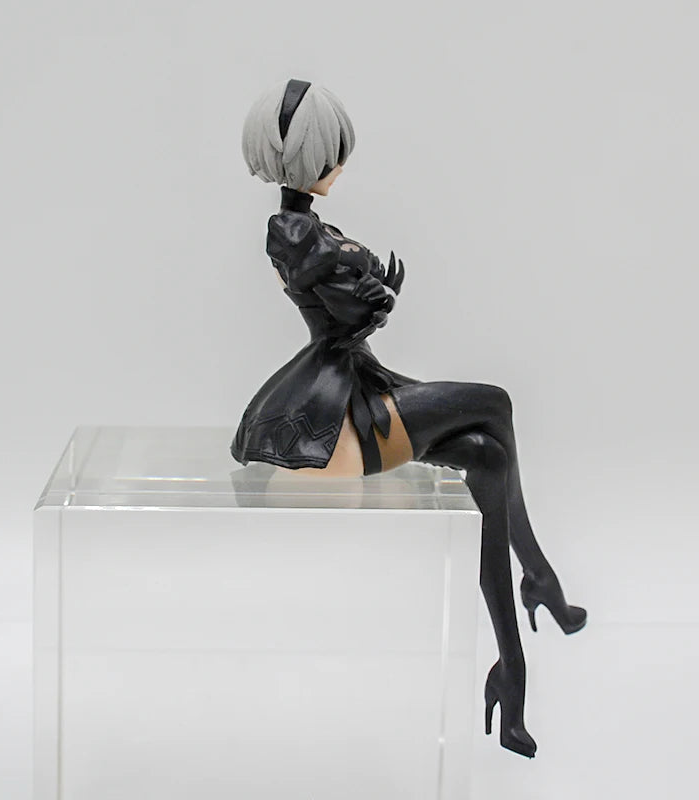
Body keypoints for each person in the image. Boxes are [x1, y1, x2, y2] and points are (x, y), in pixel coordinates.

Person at [231, 78, 587, 759]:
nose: (339, 167)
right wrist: (372, 284)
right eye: (331, 154)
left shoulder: (305, 230)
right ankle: (537, 585)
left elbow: (357, 293)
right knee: (496, 402)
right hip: (344, 410)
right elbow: (356, 305)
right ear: (304, 157)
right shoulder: (294, 230)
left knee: (486, 454)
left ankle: (513, 662)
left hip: (358, 382)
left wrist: (368, 283)